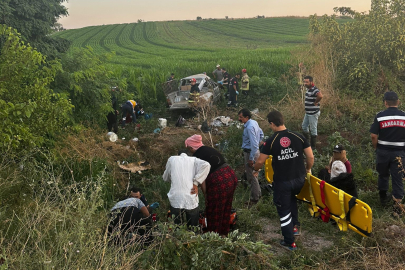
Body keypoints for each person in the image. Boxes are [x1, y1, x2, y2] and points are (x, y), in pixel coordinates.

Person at [253, 110, 314, 251]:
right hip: (299, 179)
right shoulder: (298, 136)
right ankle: (295, 227)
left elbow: (260, 161)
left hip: (283, 182)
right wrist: (308, 169)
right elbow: (310, 157)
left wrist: (255, 169)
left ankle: (289, 242)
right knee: (292, 200)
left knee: (283, 209)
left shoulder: (271, 141)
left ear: (272, 123)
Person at [185, 135, 238, 236]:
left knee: (213, 211)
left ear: (191, 147)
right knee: (225, 207)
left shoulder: (197, 156)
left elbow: (202, 179)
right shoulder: (208, 149)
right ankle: (223, 234)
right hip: (230, 175)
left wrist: (206, 196)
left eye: (189, 148)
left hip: (219, 180)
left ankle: (213, 238)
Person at [370, 91, 405, 216]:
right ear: (398, 102)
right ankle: (397, 207)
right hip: (399, 153)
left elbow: (374, 135)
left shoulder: (380, 116)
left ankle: (383, 197)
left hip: (383, 151)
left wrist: (376, 147)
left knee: (383, 174)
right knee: (398, 178)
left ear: (385, 103)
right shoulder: (404, 116)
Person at [163, 150, 211, 228]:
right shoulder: (194, 160)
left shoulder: (172, 159)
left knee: (177, 227)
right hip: (191, 197)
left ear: (177, 155)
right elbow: (207, 165)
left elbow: (165, 177)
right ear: (189, 155)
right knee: (193, 227)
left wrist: (174, 179)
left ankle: (178, 239)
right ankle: (192, 238)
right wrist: (196, 182)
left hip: (176, 199)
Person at [238, 108, 264, 205]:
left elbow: (253, 144)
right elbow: (261, 134)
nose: (239, 119)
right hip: (254, 151)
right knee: (254, 175)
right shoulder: (254, 123)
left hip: (250, 152)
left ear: (246, 117)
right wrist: (259, 142)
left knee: (252, 176)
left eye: (241, 117)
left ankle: (255, 199)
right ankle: (258, 194)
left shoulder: (249, 127)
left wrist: (251, 158)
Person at [302, 76, 323, 149]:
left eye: (307, 82)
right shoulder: (308, 89)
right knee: (304, 126)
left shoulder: (314, 89)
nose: (305, 83)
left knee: (313, 129)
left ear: (311, 82)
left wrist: (316, 102)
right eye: (304, 82)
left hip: (313, 113)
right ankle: (307, 143)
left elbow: (320, 96)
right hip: (308, 113)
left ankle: (313, 147)